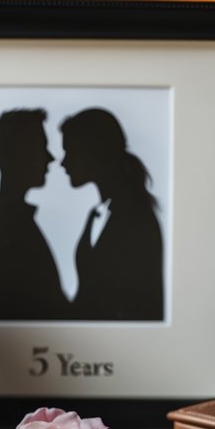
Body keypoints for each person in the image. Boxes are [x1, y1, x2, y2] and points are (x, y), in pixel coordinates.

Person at [60, 108, 163, 321]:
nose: (63, 162)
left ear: (91, 152)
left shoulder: (136, 217)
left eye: (70, 151)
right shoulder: (95, 214)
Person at [0, 109, 68, 320]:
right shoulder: (5, 227)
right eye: (42, 147)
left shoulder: (8, 221)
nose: (50, 158)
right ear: (21, 153)